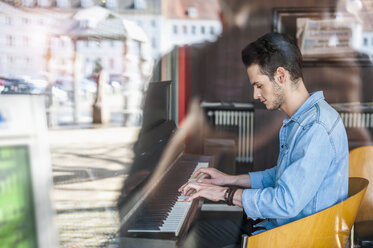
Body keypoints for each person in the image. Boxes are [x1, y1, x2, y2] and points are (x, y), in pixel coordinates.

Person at [179, 32, 349, 233]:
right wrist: (228, 179)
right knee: (203, 232)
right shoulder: (304, 119)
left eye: (259, 85)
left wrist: (224, 193)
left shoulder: (315, 127)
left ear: (281, 76)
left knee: (199, 236)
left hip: (296, 240)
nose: (255, 95)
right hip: (282, 231)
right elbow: (283, 176)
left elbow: (286, 202)